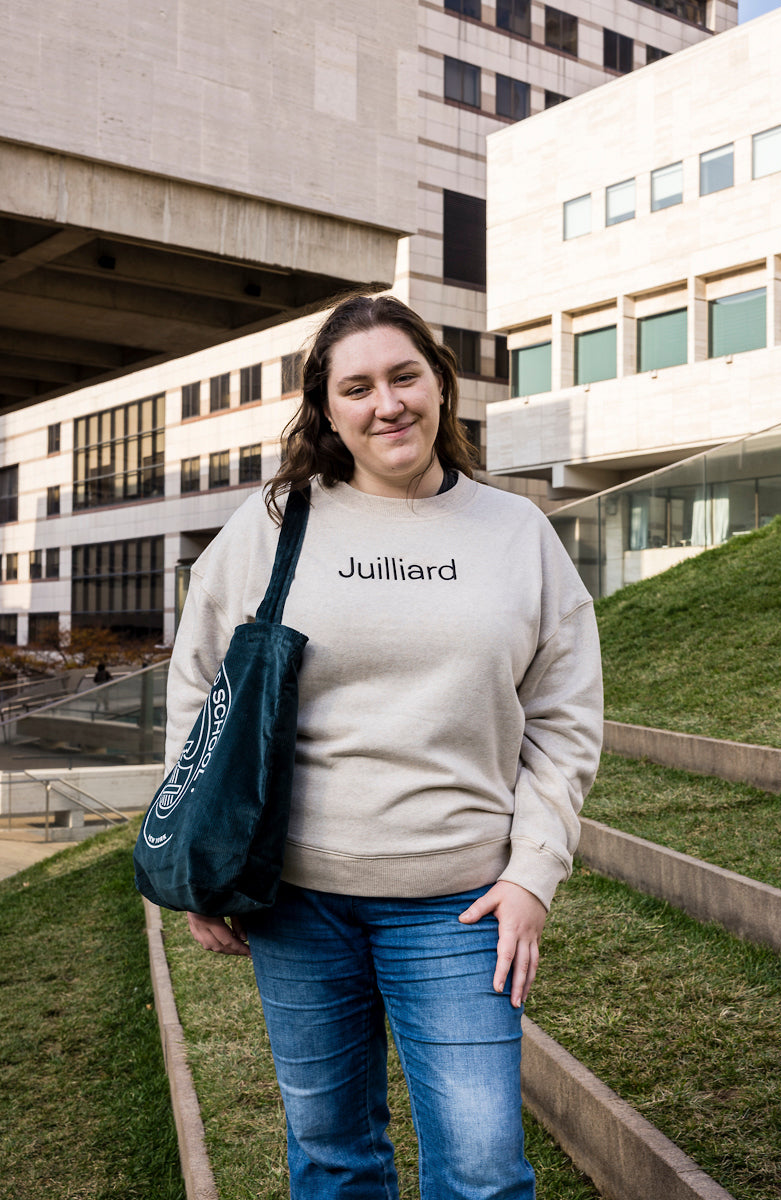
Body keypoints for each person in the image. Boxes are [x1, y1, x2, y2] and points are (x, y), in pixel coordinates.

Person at [166, 294, 603, 1199]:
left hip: (460, 903)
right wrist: (198, 863)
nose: (386, 404)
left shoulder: (517, 532)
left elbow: (564, 717)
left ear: (440, 386)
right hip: (296, 901)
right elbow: (203, 684)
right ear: (329, 410)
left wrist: (531, 876)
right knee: (331, 1155)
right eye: (356, 387)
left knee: (483, 1169)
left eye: (404, 377)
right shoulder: (277, 522)